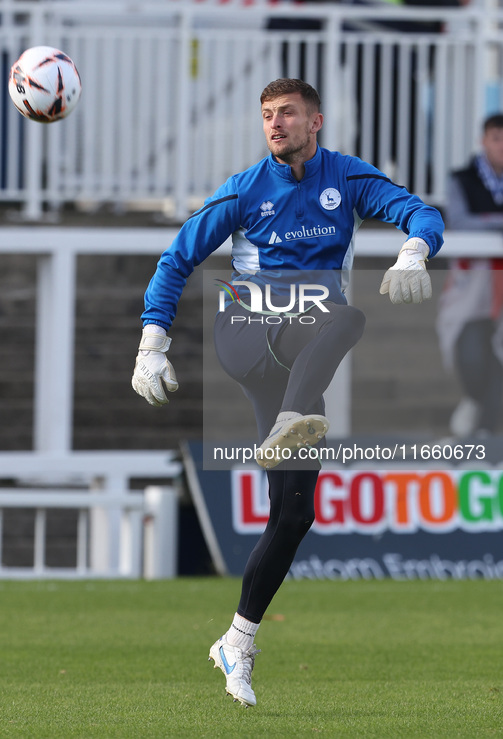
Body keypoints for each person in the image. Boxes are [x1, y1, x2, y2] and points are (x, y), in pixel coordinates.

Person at [132, 78, 444, 707]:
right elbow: (177, 259)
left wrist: (416, 248)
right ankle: (293, 418)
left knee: (295, 514)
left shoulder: (346, 178)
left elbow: (420, 210)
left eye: (287, 114)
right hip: (246, 329)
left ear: (316, 121)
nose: (275, 124)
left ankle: (237, 641)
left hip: (302, 353)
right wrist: (151, 342)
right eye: (267, 115)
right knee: (347, 317)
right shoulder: (245, 188)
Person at [437, 113, 503, 438]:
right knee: (472, 353)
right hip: (474, 284)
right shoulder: (461, 179)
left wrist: (488, 221)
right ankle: (476, 405)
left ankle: (485, 430)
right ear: (484, 140)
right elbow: (460, 222)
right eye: (496, 138)